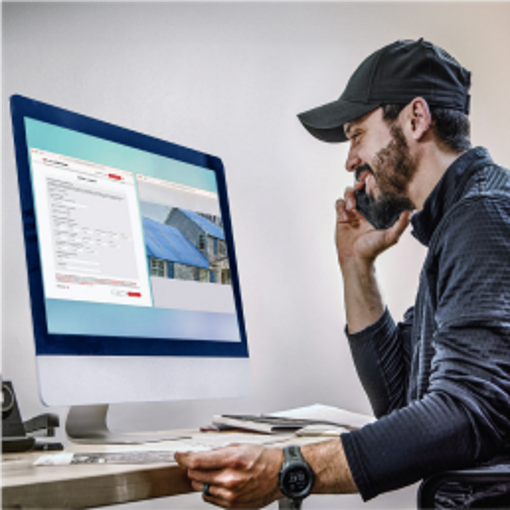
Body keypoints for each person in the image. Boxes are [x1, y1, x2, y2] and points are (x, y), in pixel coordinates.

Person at [175, 38, 510, 509]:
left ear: (416, 118)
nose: (350, 160)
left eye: (356, 134)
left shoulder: (484, 217)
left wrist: (291, 468)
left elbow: (469, 410)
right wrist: (356, 266)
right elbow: (403, 402)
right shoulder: (462, 221)